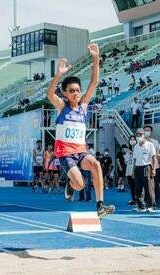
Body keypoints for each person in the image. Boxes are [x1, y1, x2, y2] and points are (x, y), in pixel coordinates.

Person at [46, 43, 114, 217]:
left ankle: (100, 206)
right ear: (66, 94)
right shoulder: (62, 107)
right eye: (72, 91)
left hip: (81, 152)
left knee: (96, 165)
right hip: (65, 154)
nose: (76, 93)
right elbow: (50, 94)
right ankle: (70, 183)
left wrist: (95, 58)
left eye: (78, 90)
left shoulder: (83, 106)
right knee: (80, 184)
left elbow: (95, 82)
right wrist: (58, 75)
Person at [132, 128, 157, 212]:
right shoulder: (135, 146)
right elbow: (134, 159)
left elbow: (153, 157)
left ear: (144, 135)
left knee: (148, 187)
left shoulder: (150, 145)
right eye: (137, 135)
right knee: (138, 188)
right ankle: (141, 206)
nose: (138, 136)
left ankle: (150, 206)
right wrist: (133, 170)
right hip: (137, 168)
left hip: (147, 167)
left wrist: (153, 169)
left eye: (140, 135)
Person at [143, 125, 160, 208]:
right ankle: (147, 201)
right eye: (145, 130)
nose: (146, 132)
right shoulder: (141, 143)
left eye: (148, 130)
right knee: (146, 185)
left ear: (151, 132)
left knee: (156, 185)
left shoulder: (155, 142)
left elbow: (157, 155)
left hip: (154, 167)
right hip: (144, 167)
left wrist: (159, 164)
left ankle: (157, 201)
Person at [125, 136, 137, 206]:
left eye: (133, 139)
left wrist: (132, 153)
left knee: (136, 185)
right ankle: (133, 199)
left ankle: (137, 199)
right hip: (128, 169)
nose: (132, 141)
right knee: (131, 186)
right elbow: (126, 161)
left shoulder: (137, 148)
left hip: (134, 169)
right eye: (131, 140)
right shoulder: (128, 150)